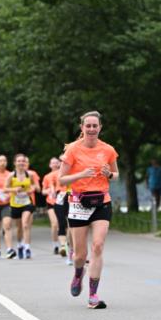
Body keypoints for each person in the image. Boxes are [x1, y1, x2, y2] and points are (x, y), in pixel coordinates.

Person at [59, 110, 119, 309]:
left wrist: (109, 174)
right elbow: (61, 179)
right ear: (82, 127)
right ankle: (78, 273)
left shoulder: (108, 150)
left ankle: (93, 295)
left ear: (100, 127)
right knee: (80, 255)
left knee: (98, 246)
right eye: (88, 126)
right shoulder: (73, 150)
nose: (92, 129)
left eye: (95, 126)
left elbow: (116, 174)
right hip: (78, 203)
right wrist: (81, 175)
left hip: (102, 202)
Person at [6, 154, 37, 258]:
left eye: (23, 161)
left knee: (25, 224)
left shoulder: (29, 174)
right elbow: (5, 188)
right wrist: (14, 189)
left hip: (27, 203)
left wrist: (31, 189)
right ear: (15, 163)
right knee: (19, 228)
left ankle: (27, 248)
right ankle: (19, 245)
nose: (21, 163)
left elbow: (34, 185)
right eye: (19, 161)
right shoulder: (11, 175)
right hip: (15, 204)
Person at [43, 156, 68, 256]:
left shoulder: (63, 173)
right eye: (52, 163)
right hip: (51, 202)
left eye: (56, 162)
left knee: (65, 224)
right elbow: (43, 191)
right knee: (55, 224)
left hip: (64, 199)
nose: (54, 164)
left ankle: (65, 244)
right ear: (50, 165)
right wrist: (49, 190)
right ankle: (55, 245)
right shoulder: (47, 176)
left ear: (59, 163)